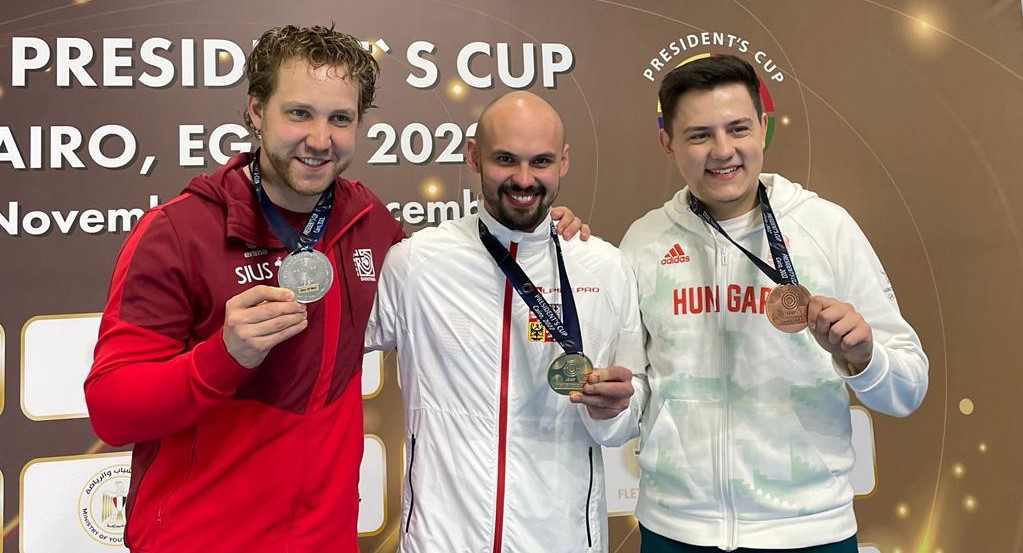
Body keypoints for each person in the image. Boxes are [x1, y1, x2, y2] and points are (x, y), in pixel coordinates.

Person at [84, 25, 586, 552]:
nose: (320, 139)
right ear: (256, 111)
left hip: (325, 540)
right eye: (299, 113)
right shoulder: (179, 232)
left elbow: (458, 272)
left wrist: (534, 233)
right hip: (200, 539)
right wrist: (222, 356)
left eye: (340, 119)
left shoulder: (368, 222)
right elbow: (112, 411)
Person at [620, 55, 928, 552]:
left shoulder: (826, 228)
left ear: (763, 128)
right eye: (699, 135)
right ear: (668, 145)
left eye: (738, 128)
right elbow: (632, 385)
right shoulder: (644, 240)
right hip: (675, 529)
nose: (723, 151)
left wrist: (864, 358)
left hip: (808, 531)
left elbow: (909, 388)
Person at [365, 91, 644, 553]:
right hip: (441, 542)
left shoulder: (603, 266)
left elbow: (634, 403)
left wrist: (615, 410)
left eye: (541, 161)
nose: (523, 179)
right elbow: (332, 346)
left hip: (564, 541)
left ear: (564, 161)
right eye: (504, 159)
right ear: (473, 156)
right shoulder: (416, 263)